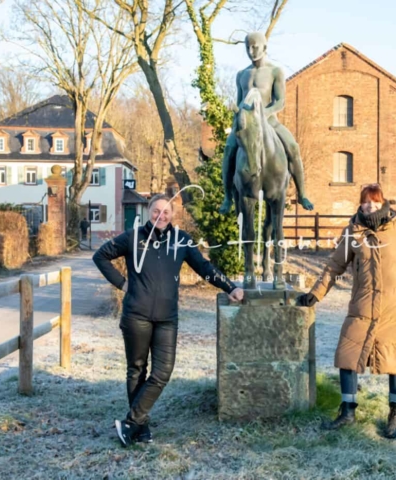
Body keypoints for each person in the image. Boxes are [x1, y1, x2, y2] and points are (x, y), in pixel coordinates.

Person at [93, 194, 244, 447]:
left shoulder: (181, 240)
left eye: (166, 212)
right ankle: (140, 427)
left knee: (163, 371)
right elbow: (101, 256)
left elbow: (204, 267)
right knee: (137, 369)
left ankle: (131, 422)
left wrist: (230, 287)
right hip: (136, 316)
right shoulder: (133, 237)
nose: (161, 216)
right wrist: (123, 284)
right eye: (156, 211)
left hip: (167, 319)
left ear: (172, 215)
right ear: (148, 212)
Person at [297, 183, 396, 438]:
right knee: (347, 355)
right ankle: (347, 412)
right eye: (365, 201)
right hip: (362, 306)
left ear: (383, 202)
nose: (370, 206)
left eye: (374, 201)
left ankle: (394, 414)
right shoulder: (353, 232)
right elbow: (334, 267)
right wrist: (315, 294)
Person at [218, 31, 314, 215]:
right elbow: (240, 102)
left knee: (293, 147)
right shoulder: (241, 74)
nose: (251, 51)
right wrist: (238, 119)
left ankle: (302, 193)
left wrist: (264, 113)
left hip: (270, 121)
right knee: (229, 149)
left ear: (264, 47)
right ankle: (228, 197)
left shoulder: (275, 71)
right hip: (246, 123)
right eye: (248, 47)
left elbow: (280, 101)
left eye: (255, 46)